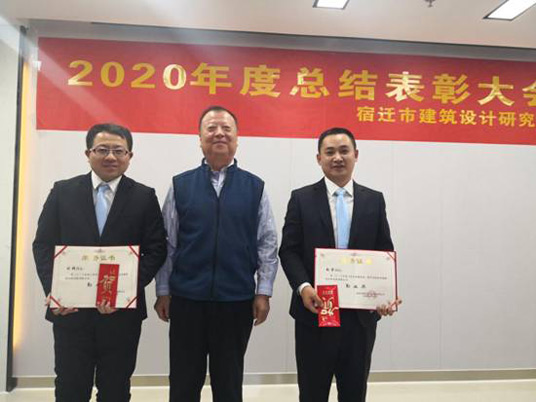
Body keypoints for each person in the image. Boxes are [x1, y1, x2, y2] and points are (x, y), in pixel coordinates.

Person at [33, 123, 167, 402]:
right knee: (70, 388)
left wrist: (124, 290)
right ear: (88, 153)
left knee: (115, 389)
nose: (110, 156)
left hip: (121, 316)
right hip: (71, 313)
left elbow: (156, 250)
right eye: (102, 149)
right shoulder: (63, 191)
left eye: (119, 151)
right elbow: (43, 245)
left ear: (129, 156)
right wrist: (55, 291)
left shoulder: (144, 197)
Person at [154, 106, 278, 402]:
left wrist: (263, 291)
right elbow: (168, 242)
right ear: (200, 138)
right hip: (187, 299)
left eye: (226, 128)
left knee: (229, 382)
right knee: (184, 381)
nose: (219, 134)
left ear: (237, 138)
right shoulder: (181, 184)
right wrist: (163, 290)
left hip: (236, 300)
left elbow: (267, 242)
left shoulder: (255, 187)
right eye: (211, 128)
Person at [279, 127, 401, 402]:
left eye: (344, 151)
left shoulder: (374, 200)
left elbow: (384, 251)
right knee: (312, 392)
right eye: (330, 152)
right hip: (314, 311)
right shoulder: (301, 198)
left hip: (360, 318)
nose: (337, 157)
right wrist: (303, 287)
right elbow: (288, 251)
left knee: (354, 393)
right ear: (319, 158)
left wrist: (384, 295)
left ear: (356, 155)